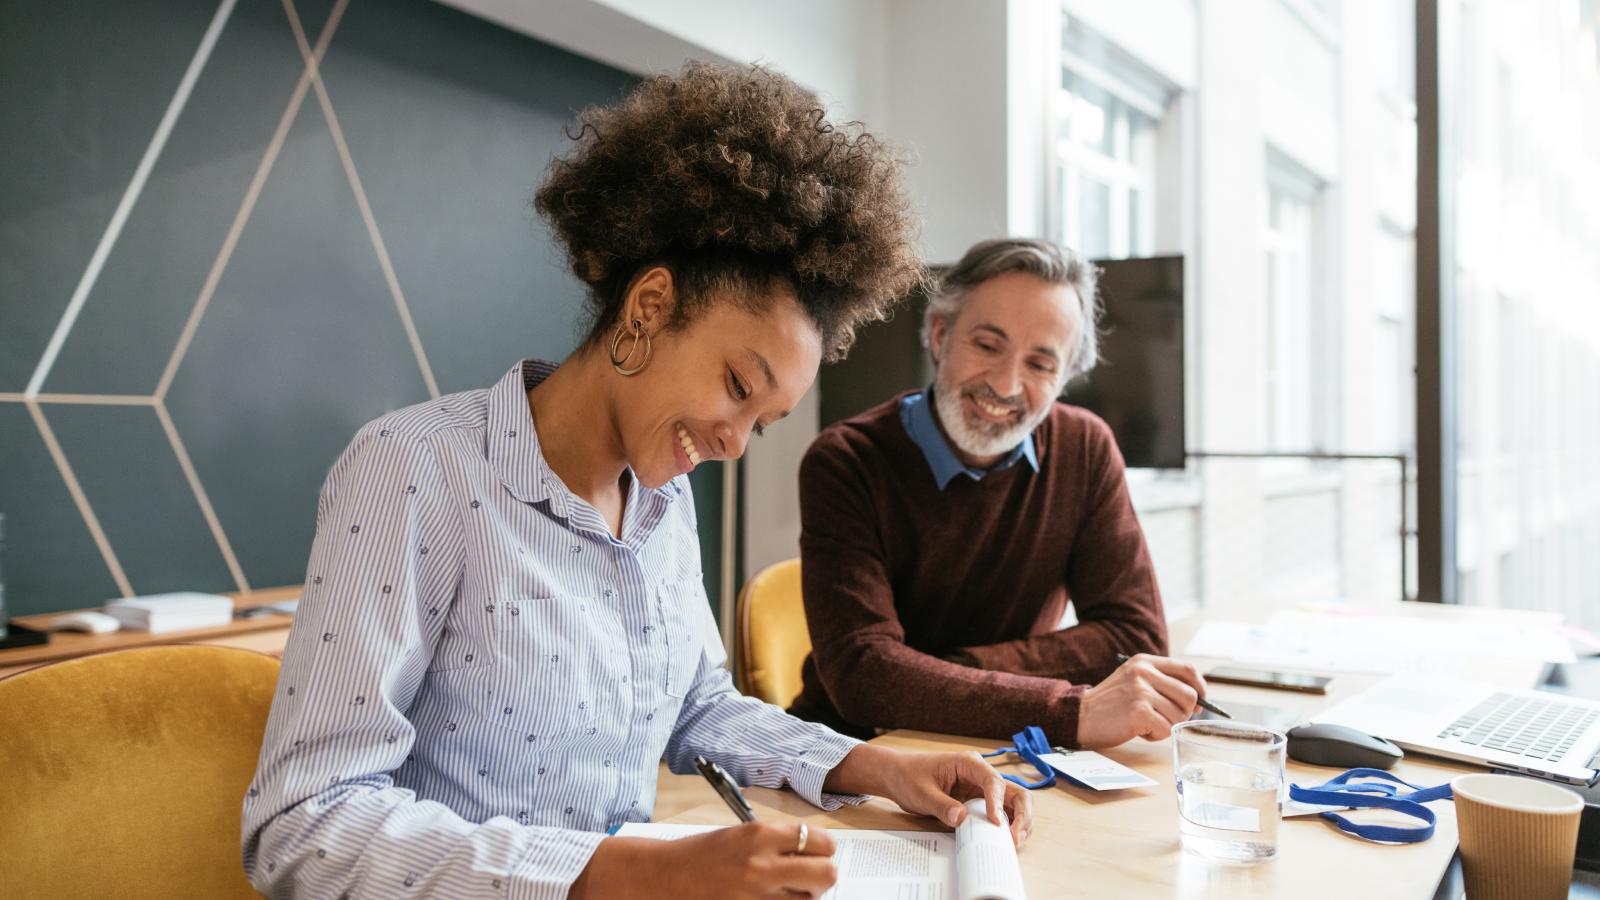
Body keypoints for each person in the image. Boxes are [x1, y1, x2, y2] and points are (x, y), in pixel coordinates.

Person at [241, 64, 1031, 900]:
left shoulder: (661, 496)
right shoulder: (416, 472)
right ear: (650, 306)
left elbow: (695, 707)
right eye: (736, 386)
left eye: (761, 422)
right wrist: (624, 872)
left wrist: (878, 767)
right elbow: (306, 824)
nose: (734, 442)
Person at [789, 238, 1209, 750]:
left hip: (1007, 749)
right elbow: (864, 677)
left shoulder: (1085, 447)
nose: (1007, 386)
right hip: (857, 752)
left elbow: (1133, 639)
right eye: (988, 346)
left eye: (1040, 364)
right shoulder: (847, 461)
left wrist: (944, 671)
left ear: (1066, 377)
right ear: (941, 335)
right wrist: (1071, 710)